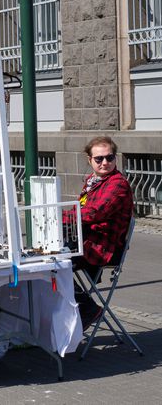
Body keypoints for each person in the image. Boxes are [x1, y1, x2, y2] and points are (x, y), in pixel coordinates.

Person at [73, 136, 133, 329]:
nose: (105, 162)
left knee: (52, 268)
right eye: (99, 159)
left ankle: (87, 308)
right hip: (87, 242)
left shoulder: (117, 184)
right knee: (44, 265)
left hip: (103, 248)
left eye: (110, 157)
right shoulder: (92, 181)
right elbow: (80, 210)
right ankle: (68, 316)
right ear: (89, 159)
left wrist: (58, 213)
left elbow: (93, 212)